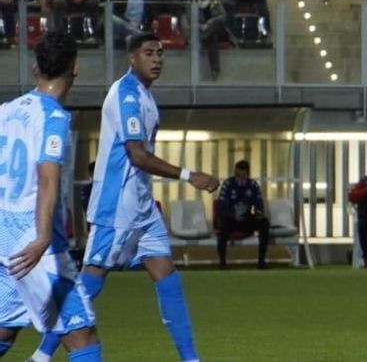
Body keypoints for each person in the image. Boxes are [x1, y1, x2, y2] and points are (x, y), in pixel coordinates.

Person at [31, 31, 222, 362]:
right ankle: (41, 355)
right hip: (116, 205)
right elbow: (136, 155)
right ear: (131, 58)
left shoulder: (146, 96)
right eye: (149, 52)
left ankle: (192, 359)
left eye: (160, 52)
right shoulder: (126, 94)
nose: (157, 58)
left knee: (168, 278)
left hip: (142, 206)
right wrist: (191, 175)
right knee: (90, 281)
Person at [0, 33, 104, 362]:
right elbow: (47, 178)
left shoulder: (6, 111)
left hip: (4, 237)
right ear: (74, 69)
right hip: (34, 242)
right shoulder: (53, 117)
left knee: (4, 327)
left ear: (35, 67)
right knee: (82, 335)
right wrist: (44, 236)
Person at [214, 160, 269, 269]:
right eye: (237, 175)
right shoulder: (227, 185)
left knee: (264, 223)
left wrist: (258, 213)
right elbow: (222, 206)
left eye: (243, 175)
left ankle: (261, 262)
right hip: (231, 220)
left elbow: (259, 204)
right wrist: (232, 215)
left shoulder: (253, 185)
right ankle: (222, 263)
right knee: (223, 223)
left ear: (248, 174)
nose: (240, 178)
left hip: (246, 220)